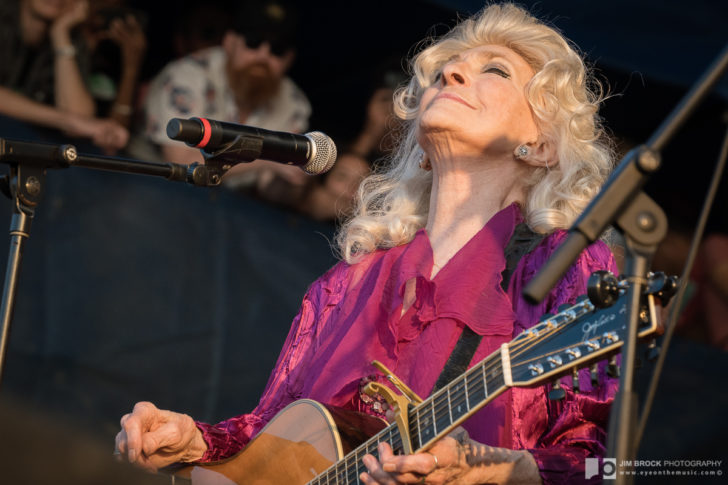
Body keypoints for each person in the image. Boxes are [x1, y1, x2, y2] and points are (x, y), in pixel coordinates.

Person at [116, 3, 619, 484]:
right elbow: (268, 438)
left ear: (544, 145)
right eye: (446, 68)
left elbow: (599, 468)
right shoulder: (344, 284)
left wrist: (496, 471)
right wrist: (195, 444)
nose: (451, 74)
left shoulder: (566, 266)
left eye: (497, 70)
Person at [141, 0, 312, 208]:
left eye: (277, 49)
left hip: (229, 210)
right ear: (229, 42)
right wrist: (268, 158)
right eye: (253, 41)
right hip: (153, 190)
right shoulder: (188, 74)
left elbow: (272, 190)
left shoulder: (295, 103)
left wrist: (291, 177)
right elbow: (183, 162)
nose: (263, 56)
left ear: (289, 60)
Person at [0, 0, 128, 153]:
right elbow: (75, 122)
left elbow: (80, 116)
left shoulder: (72, 37)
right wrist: (65, 121)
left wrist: (60, 34)